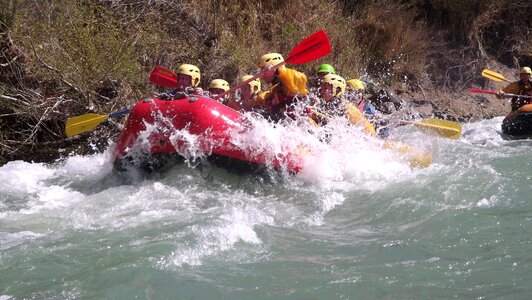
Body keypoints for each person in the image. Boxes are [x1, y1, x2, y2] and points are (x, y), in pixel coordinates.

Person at [309, 74, 376, 136]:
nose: (322, 91)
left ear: (337, 90)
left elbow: (369, 132)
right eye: (322, 88)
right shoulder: (325, 104)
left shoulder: (348, 109)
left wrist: (315, 114)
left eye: (326, 88)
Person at [256, 53, 309, 122]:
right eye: (262, 70)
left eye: (264, 70)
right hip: (284, 125)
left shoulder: (291, 85)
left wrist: (278, 70)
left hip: (304, 126)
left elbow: (301, 78)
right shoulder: (275, 89)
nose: (262, 74)